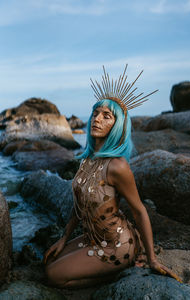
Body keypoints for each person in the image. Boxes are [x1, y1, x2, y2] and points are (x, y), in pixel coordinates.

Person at [43, 65, 181, 288]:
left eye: (106, 116)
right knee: (49, 262)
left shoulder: (118, 166)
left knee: (54, 275)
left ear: (117, 126)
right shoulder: (87, 160)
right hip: (92, 238)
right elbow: (78, 205)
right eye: (95, 113)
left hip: (117, 244)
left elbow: (139, 210)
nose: (97, 119)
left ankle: (121, 270)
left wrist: (152, 259)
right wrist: (64, 238)